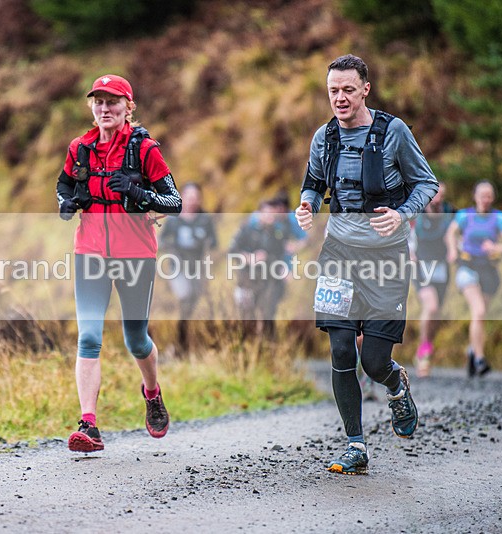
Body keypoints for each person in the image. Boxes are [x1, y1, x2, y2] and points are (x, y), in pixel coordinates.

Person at [295, 54, 438, 475]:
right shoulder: (324, 136)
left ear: (365, 90)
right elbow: (314, 181)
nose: (339, 98)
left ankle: (395, 385)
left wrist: (403, 213)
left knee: (374, 362)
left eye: (347, 90)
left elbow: (425, 182)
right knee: (340, 348)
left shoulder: (393, 132)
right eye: (333, 91)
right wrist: (306, 204)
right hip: (338, 252)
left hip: (386, 257)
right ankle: (355, 444)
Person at [55, 74, 182, 452]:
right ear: (91, 107)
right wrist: (66, 203)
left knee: (135, 339)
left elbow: (173, 201)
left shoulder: (145, 150)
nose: (105, 108)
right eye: (98, 102)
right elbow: (64, 185)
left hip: (135, 256)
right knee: (90, 336)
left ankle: (152, 392)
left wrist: (140, 193)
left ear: (129, 107)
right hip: (90, 253)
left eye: (113, 102)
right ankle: (89, 425)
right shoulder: (80, 148)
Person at [445, 180, 502, 377]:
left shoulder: (499, 218)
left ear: (493, 198)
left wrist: (495, 247)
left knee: (480, 317)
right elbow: (450, 234)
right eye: (482, 195)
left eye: (489, 195)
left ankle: (472, 350)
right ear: (475, 196)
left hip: (489, 270)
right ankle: (480, 359)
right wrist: (452, 250)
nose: (485, 199)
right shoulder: (464, 215)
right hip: (467, 266)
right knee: (479, 310)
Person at [159, 183, 218, 351]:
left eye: (196, 198)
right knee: (185, 295)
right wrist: (172, 246)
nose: (193, 201)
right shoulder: (173, 218)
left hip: (198, 266)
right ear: (182, 197)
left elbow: (214, 242)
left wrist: (203, 241)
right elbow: (162, 241)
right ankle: (181, 337)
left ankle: (187, 336)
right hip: (177, 266)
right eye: (189, 197)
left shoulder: (205, 219)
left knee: (195, 300)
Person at [229, 198, 292, 337]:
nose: (270, 216)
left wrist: (286, 269)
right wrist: (249, 258)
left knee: (268, 313)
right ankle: (247, 347)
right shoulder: (246, 230)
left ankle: (269, 348)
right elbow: (232, 251)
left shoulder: (279, 233)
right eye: (267, 213)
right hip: (247, 279)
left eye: (272, 213)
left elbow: (282, 254)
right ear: (259, 213)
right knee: (247, 315)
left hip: (270, 279)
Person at [410, 182, 455, 377]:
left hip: (441, 267)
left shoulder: (449, 211)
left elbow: (456, 233)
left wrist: (454, 249)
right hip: (421, 266)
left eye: (441, 196)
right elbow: (406, 232)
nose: (437, 199)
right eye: (435, 195)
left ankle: (425, 346)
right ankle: (423, 352)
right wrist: (409, 254)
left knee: (436, 315)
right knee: (432, 306)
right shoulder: (416, 210)